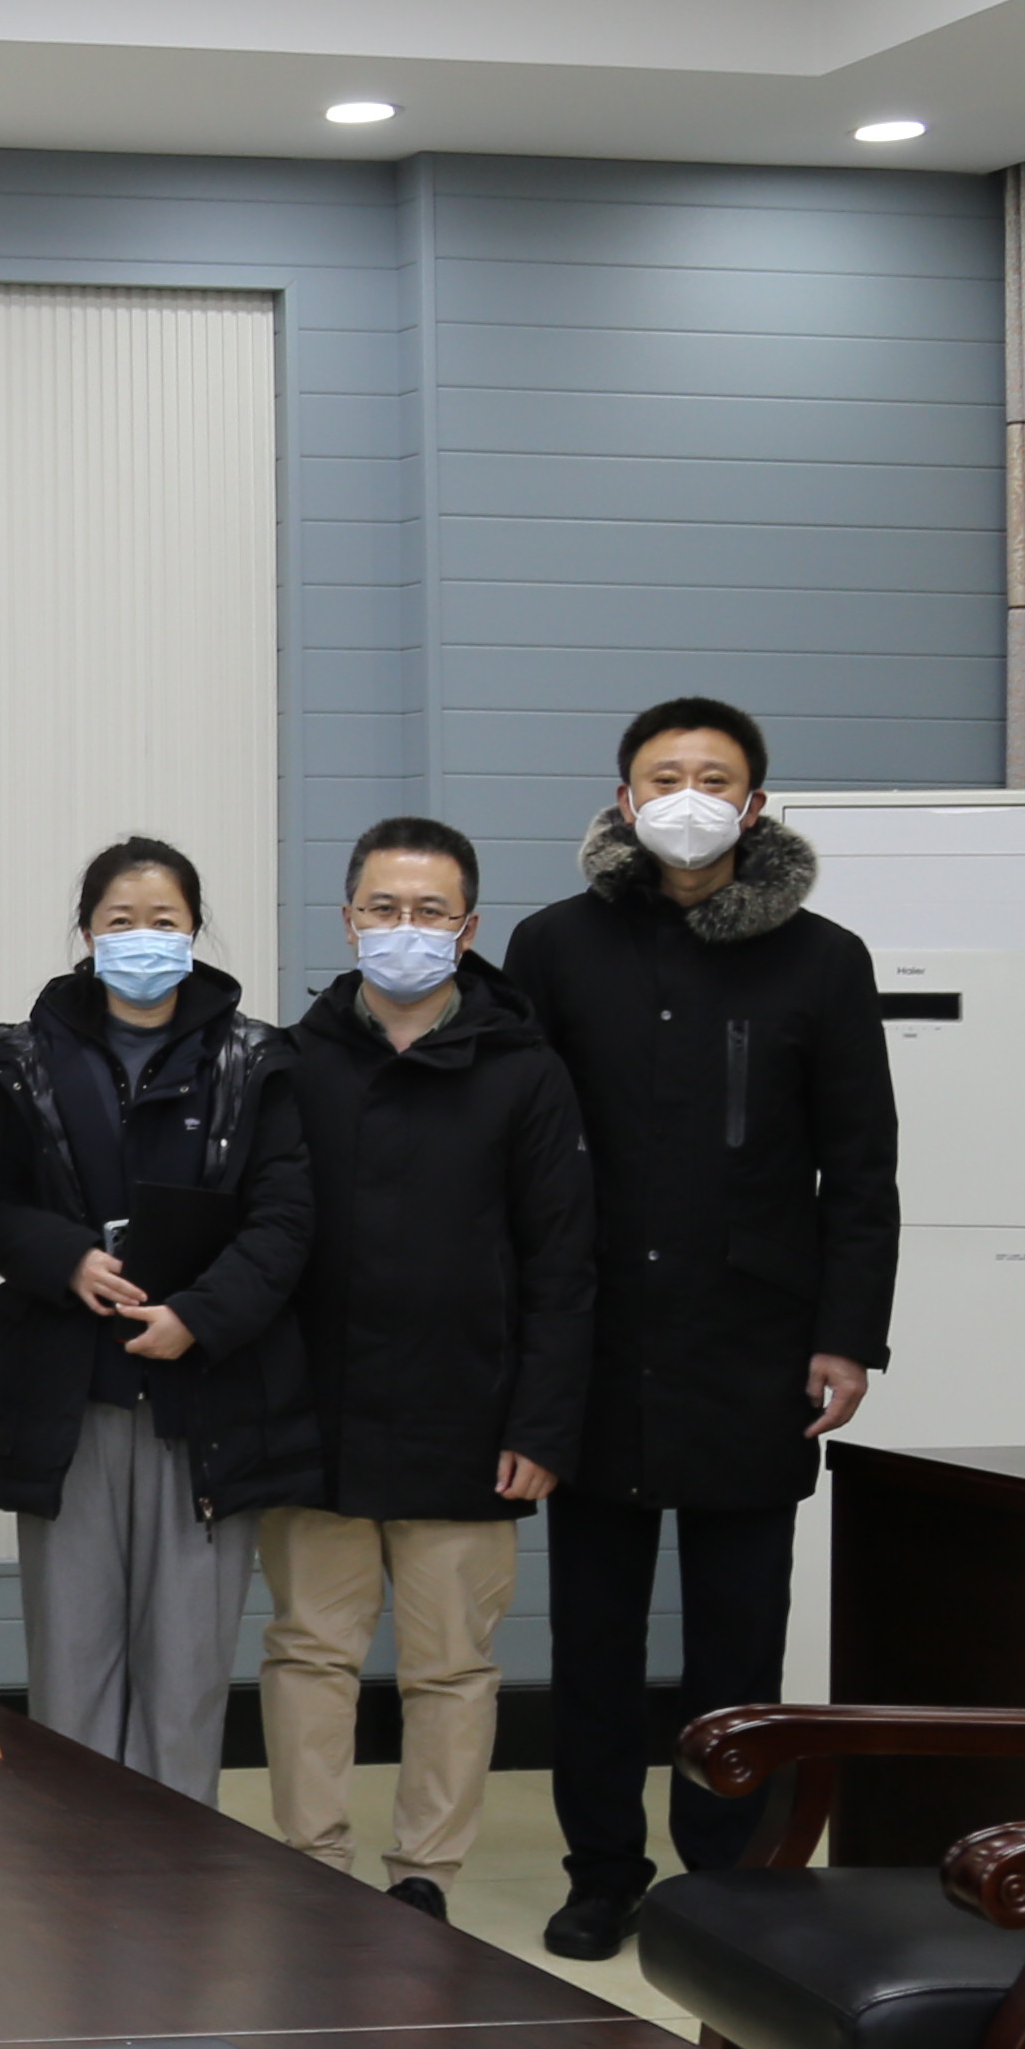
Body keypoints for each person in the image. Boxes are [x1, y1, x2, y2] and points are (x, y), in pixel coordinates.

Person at [500, 695, 903, 1961]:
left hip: (755, 1347)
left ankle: (727, 1876)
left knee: (739, 1632)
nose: (688, 797)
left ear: (755, 804)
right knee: (595, 1635)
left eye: (714, 777)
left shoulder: (823, 959)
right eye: (663, 776)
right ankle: (602, 1871)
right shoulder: (554, 946)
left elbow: (861, 1167)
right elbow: (515, 1149)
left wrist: (848, 1335)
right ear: (623, 802)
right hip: (598, 1345)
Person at [260, 819, 594, 1918]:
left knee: (451, 1666)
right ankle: (312, 1867)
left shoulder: (526, 1072)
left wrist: (542, 1424)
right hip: (314, 1419)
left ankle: (424, 1879)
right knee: (310, 1654)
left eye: (430, 911)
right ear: (349, 919)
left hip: (472, 1418)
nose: (405, 928)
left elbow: (562, 1264)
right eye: (384, 909)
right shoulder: (289, 1063)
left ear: (469, 927)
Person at [0, 836, 317, 1789]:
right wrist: (65, 1258)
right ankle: (77, 1860)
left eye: (164, 920)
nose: (143, 938)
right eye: (121, 921)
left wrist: (198, 1314)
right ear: (87, 933)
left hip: (204, 1402)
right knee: (72, 1663)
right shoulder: (26, 1058)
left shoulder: (255, 1060)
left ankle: (175, 1864)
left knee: (187, 1673)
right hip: (67, 1399)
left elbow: (285, 1220)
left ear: (195, 931)